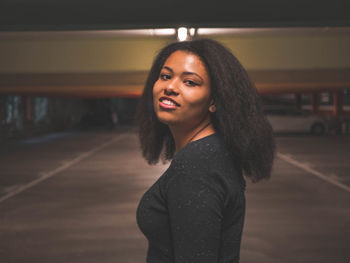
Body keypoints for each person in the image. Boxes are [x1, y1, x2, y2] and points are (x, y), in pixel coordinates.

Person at [136, 38, 275, 263]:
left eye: (190, 82)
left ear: (214, 101)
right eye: (165, 76)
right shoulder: (214, 151)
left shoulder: (197, 165)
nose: (170, 87)